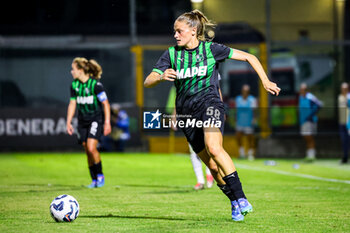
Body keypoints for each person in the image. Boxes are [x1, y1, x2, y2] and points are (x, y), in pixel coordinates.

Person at [144, 10, 280, 221]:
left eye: (179, 31)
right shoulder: (171, 54)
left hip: (210, 105)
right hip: (186, 115)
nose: (175, 35)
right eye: (174, 32)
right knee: (214, 168)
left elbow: (249, 57)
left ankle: (242, 198)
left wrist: (265, 80)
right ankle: (234, 202)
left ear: (193, 30)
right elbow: (148, 80)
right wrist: (160, 76)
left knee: (215, 148)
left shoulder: (211, 49)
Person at [66, 57, 111, 188]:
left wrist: (107, 122)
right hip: (82, 122)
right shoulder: (74, 85)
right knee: (87, 149)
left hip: (95, 120)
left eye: (73, 69)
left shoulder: (96, 85)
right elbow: (72, 103)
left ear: (80, 70)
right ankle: (94, 179)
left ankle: (100, 175)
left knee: (92, 148)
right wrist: (68, 122)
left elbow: (105, 104)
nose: (71, 72)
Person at [299, 83, 322, 161]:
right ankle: (309, 154)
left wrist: (310, 115)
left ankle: (311, 155)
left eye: (303, 90)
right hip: (303, 121)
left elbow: (319, 105)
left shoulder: (311, 97)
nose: (301, 91)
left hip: (309, 121)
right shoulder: (301, 98)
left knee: (309, 137)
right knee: (306, 137)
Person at [235, 84, 257, 160]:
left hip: (248, 122)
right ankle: (242, 153)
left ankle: (250, 154)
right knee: (238, 137)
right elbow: (236, 110)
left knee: (250, 138)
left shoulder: (252, 100)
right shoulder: (238, 99)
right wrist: (235, 119)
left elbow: (255, 111)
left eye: (246, 91)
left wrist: (254, 119)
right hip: (240, 122)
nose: (245, 92)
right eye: (244, 91)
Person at [340, 82, 350, 164]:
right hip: (342, 122)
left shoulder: (349, 97)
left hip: (348, 123)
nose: (344, 90)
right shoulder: (340, 97)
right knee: (344, 141)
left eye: (345, 89)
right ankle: (345, 157)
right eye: (342, 88)